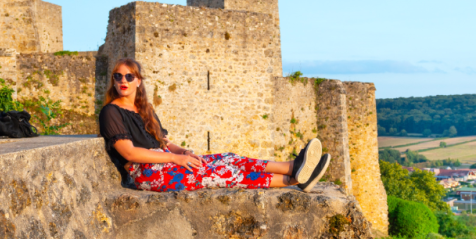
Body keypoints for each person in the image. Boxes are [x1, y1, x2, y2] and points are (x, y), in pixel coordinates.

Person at [99, 58, 331, 193]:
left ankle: (292, 168)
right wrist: (175, 159)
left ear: (138, 81)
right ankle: (292, 179)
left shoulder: (144, 110)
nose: (123, 81)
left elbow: (164, 143)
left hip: (165, 163)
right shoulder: (111, 111)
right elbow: (129, 152)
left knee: (229, 159)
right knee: (222, 173)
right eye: (118, 77)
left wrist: (182, 152)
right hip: (146, 173)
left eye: (129, 77)